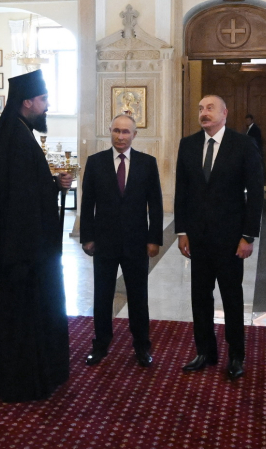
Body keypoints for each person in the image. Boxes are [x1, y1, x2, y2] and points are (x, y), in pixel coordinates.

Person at [0, 69, 73, 402]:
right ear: (27, 101)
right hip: (21, 254)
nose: (47, 106)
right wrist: (27, 257)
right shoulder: (16, 137)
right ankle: (20, 378)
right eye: (44, 100)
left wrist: (51, 185)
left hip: (23, 248)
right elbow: (17, 204)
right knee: (20, 318)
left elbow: (24, 191)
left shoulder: (18, 132)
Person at [174, 95, 264, 381]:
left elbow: (256, 193)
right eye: (200, 108)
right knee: (199, 297)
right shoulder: (188, 145)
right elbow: (182, 191)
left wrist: (247, 236)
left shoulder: (243, 144)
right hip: (197, 238)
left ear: (224, 112)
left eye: (210, 108)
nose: (204, 113)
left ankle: (236, 354)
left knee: (231, 298)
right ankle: (205, 352)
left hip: (230, 238)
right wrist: (182, 231)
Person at [80, 114, 162, 367]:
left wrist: (154, 239)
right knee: (102, 296)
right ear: (110, 132)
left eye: (126, 132)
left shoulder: (148, 163)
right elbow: (88, 203)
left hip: (136, 242)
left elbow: (156, 204)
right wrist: (87, 237)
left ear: (134, 135)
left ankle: (141, 346)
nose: (121, 136)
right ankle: (101, 344)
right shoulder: (95, 163)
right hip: (104, 241)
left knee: (138, 297)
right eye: (116, 130)